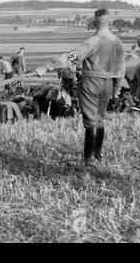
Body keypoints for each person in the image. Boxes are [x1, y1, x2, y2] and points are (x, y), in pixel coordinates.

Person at [35, 9, 125, 167]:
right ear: (109, 22)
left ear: (94, 23)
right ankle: (97, 154)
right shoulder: (118, 42)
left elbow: (73, 56)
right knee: (100, 119)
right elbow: (121, 69)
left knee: (90, 121)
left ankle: (88, 159)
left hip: (91, 82)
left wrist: (48, 66)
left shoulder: (94, 41)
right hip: (108, 83)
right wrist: (116, 90)